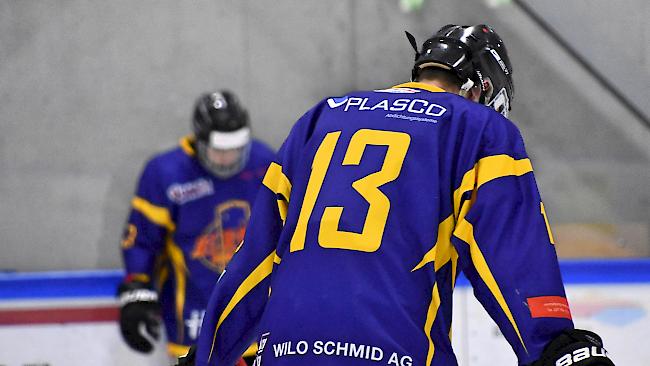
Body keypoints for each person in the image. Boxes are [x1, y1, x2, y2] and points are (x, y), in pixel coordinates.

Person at [179, 25, 615, 366]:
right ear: (482, 89)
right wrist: (553, 343)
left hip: (285, 349)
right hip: (394, 348)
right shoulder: (479, 127)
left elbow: (254, 257)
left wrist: (207, 355)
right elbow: (512, 250)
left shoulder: (320, 118)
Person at [117, 90, 275, 363]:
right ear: (199, 140)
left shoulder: (265, 162)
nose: (228, 158)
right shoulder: (166, 173)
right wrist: (136, 291)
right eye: (219, 150)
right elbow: (142, 239)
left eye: (236, 149)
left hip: (256, 322)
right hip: (193, 321)